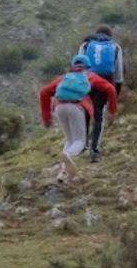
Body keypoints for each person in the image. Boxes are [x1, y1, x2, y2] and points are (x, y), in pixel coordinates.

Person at [39, 55, 117, 184]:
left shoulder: (64, 77)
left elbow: (44, 92)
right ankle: (68, 155)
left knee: (70, 139)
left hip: (59, 108)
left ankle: (63, 172)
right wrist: (112, 110)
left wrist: (46, 118)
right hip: (76, 107)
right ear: (88, 66)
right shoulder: (90, 76)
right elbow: (110, 89)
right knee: (80, 141)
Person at [72, 25, 124, 161]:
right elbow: (119, 74)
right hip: (105, 83)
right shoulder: (115, 47)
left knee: (85, 112)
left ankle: (82, 145)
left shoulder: (86, 44)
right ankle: (94, 150)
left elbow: (77, 66)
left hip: (86, 81)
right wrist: (115, 93)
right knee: (98, 114)